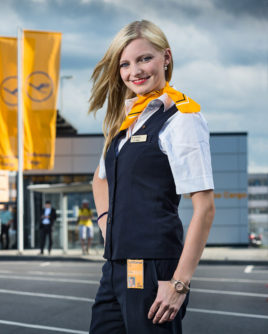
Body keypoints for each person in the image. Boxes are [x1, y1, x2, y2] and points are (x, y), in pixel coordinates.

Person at [89, 20, 215, 334]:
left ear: (166, 58)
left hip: (155, 266)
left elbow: (205, 208)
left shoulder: (182, 118)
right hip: (118, 265)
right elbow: (99, 179)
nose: (135, 71)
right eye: (125, 64)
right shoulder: (127, 120)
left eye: (145, 58)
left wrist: (179, 284)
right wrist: (109, 226)